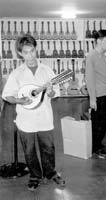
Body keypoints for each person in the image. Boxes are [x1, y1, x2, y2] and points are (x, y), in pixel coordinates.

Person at [2, 34, 65, 190]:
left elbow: (56, 92)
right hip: (26, 118)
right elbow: (7, 96)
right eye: (26, 52)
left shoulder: (47, 70)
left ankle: (51, 173)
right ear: (20, 53)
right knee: (29, 150)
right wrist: (20, 100)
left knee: (48, 148)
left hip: (44, 116)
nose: (30, 55)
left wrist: (50, 91)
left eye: (32, 51)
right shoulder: (16, 73)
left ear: (36, 50)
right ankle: (35, 175)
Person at [85, 30, 106, 159]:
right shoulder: (91, 56)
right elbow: (89, 78)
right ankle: (95, 148)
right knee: (98, 124)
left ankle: (98, 144)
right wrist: (93, 99)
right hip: (98, 96)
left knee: (105, 123)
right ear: (98, 41)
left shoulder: (102, 55)